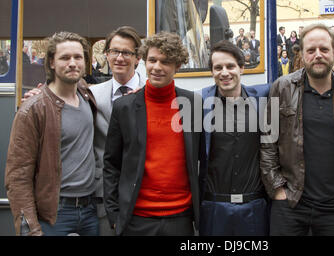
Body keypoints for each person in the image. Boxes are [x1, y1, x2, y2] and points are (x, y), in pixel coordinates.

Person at [103, 31, 201, 236]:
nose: (157, 67)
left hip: (180, 218)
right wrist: (114, 216)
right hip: (136, 219)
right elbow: (111, 164)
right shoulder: (124, 107)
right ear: (144, 62)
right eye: (152, 60)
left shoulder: (193, 104)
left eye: (165, 62)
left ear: (178, 66)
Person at [261, 23, 334, 236]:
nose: (317, 55)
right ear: (302, 54)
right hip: (291, 204)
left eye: (324, 49)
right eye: (311, 50)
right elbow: (268, 141)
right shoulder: (282, 88)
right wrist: (277, 189)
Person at [5, 31, 98, 236]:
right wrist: (30, 229)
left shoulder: (86, 95)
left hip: (90, 210)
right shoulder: (33, 109)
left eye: (78, 57)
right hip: (54, 214)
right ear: (52, 63)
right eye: (65, 58)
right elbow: (18, 177)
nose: (72, 63)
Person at [199, 40, 270, 236]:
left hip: (254, 208)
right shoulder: (198, 102)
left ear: (242, 68)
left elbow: (295, 83)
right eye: (218, 67)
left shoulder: (263, 96)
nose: (224, 72)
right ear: (212, 72)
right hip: (214, 209)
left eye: (230, 66)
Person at [89, 26, 146, 235]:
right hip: (103, 197)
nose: (120, 58)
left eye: (127, 53)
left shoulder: (151, 94)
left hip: (142, 196)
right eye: (114, 51)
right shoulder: (91, 95)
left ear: (138, 58)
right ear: (106, 54)